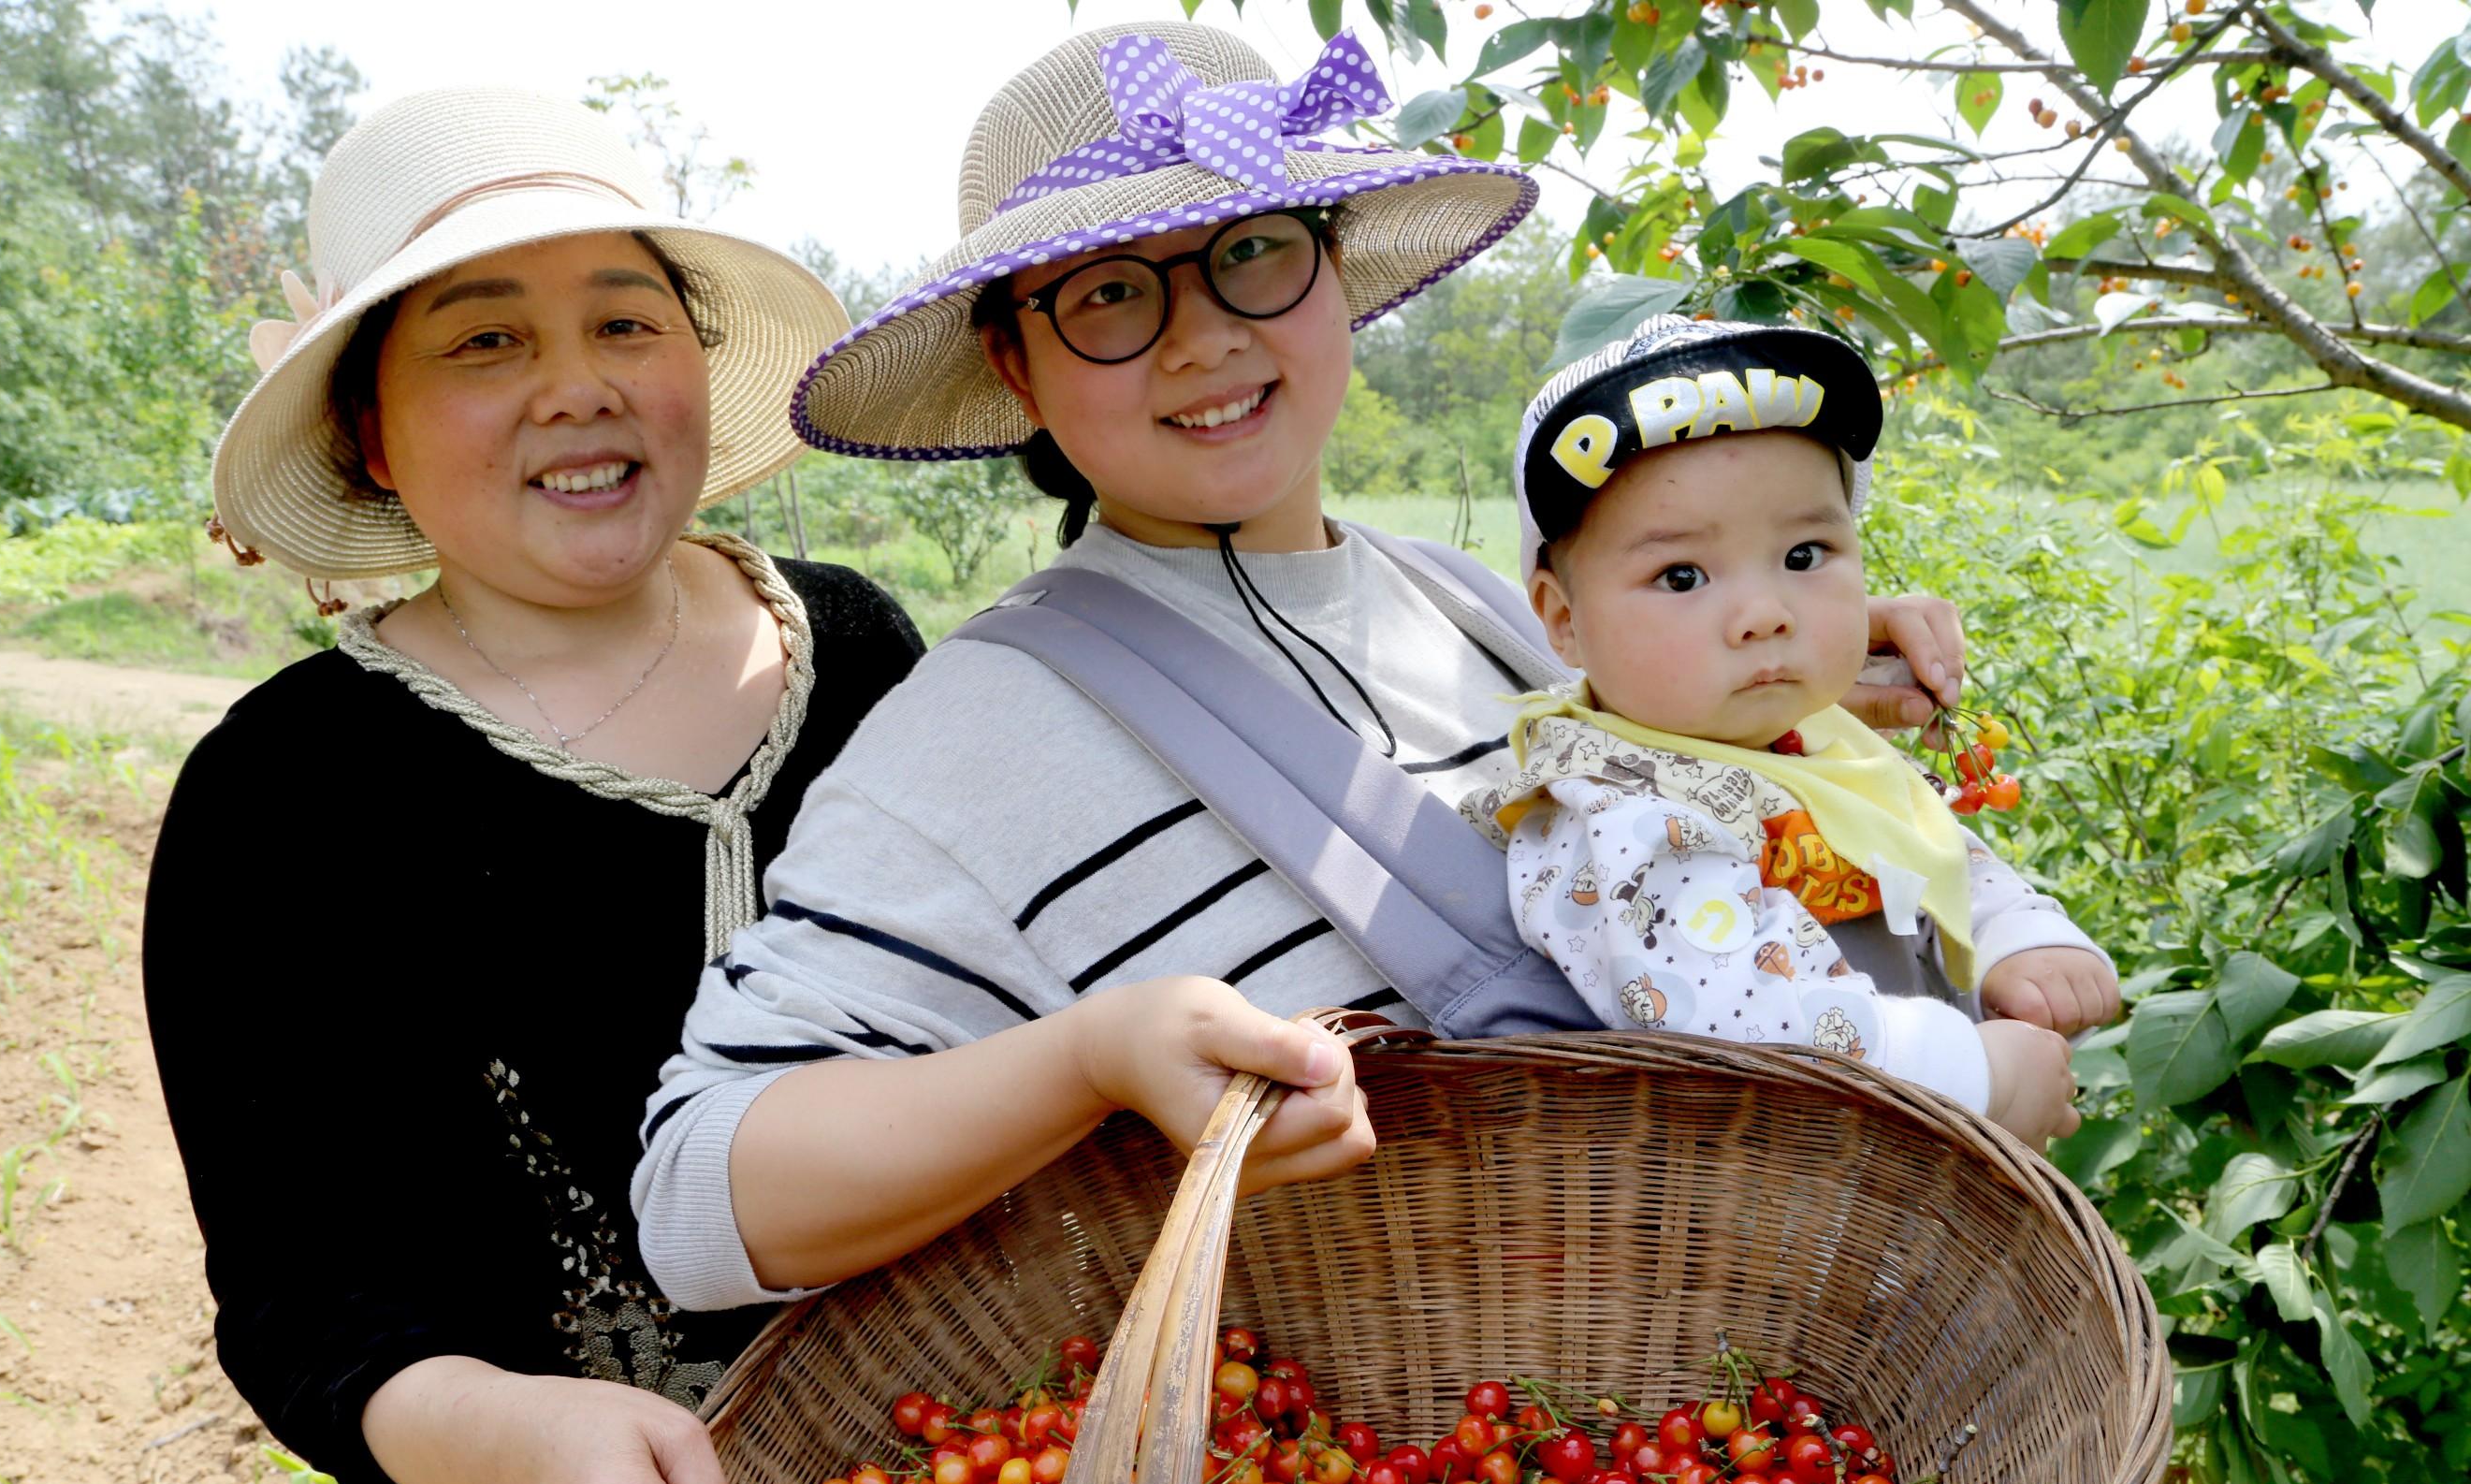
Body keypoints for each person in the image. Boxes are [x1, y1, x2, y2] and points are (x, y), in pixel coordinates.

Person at [631, 24, 1969, 1313]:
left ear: (1337, 272)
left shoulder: (1462, 604)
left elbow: (1620, 808)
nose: (1204, 336)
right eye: (1109, 293)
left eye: (1254, 252)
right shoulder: (973, 737)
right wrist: (1090, 1061)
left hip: (1766, 1357)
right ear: (1015, 364)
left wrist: (1799, 657)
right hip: (1440, 1465)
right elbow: (700, 1196)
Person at [144, 88, 927, 1484]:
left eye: (625, 319)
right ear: (372, 433)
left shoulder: (863, 655)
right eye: (484, 341)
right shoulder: (291, 795)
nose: (578, 385)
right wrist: (533, 1440)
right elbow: (308, 1304)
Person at [1458, 315, 2118, 1147]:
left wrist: (2016, 942)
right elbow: (1743, 1021)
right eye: (1682, 575)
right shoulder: (1620, 815)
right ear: (1564, 621)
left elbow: (1934, 855)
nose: (1764, 615)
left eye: (1804, 556)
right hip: (1780, 1236)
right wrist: (1977, 1075)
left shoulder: (1819, 746)